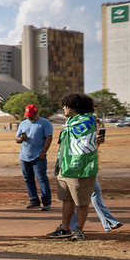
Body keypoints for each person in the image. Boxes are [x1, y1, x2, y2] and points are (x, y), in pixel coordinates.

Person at [47, 93, 99, 241]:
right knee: (67, 199)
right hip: (65, 166)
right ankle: (64, 228)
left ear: (75, 107)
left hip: (80, 168)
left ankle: (79, 230)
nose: (64, 108)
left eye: (66, 106)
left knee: (81, 201)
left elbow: (84, 144)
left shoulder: (87, 121)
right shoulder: (71, 121)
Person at [16, 104, 53, 210]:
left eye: (31, 115)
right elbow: (16, 138)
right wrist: (21, 139)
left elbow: (48, 138)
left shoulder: (45, 123)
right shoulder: (23, 123)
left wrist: (43, 152)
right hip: (24, 155)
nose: (29, 117)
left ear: (36, 113)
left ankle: (46, 202)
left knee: (41, 178)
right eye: (28, 115)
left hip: (38, 155)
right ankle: (34, 200)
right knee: (28, 178)